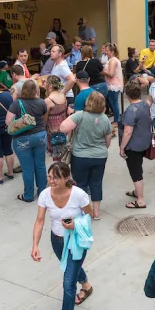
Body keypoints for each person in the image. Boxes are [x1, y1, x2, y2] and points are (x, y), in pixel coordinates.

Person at [30, 162, 93, 310]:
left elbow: (90, 216)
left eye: (55, 178)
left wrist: (75, 224)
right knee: (70, 269)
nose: (51, 181)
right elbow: (40, 221)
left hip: (75, 242)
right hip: (56, 241)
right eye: (49, 177)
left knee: (68, 283)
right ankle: (87, 286)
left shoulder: (78, 195)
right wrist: (35, 245)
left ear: (66, 178)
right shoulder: (45, 195)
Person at [60, 92, 111, 221]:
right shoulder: (105, 119)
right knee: (96, 183)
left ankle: (82, 212)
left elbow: (63, 128)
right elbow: (108, 141)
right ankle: (97, 213)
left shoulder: (80, 116)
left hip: (80, 156)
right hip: (100, 156)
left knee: (80, 184)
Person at [6, 80, 48, 202]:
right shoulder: (42, 102)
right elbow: (44, 119)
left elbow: (8, 122)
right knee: (40, 165)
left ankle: (28, 195)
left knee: (27, 168)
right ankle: (42, 193)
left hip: (22, 139)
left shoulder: (16, 104)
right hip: (40, 136)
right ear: (36, 90)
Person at [120, 80, 152, 209]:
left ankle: (140, 200)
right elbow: (150, 101)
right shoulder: (144, 105)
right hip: (144, 143)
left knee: (136, 173)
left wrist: (122, 148)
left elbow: (128, 132)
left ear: (127, 96)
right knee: (138, 168)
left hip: (133, 146)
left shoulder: (130, 111)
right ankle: (137, 191)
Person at [41, 75, 70, 161]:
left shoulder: (48, 101)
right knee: (62, 154)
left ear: (50, 85)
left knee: (56, 158)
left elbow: (45, 120)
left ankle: (57, 173)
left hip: (53, 131)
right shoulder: (63, 95)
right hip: (63, 129)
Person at [101, 43, 124, 128]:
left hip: (114, 85)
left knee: (114, 103)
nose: (106, 52)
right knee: (110, 102)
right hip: (111, 84)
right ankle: (117, 118)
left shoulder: (113, 60)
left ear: (112, 51)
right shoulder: (111, 60)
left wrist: (103, 71)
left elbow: (111, 74)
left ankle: (117, 120)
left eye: (107, 51)